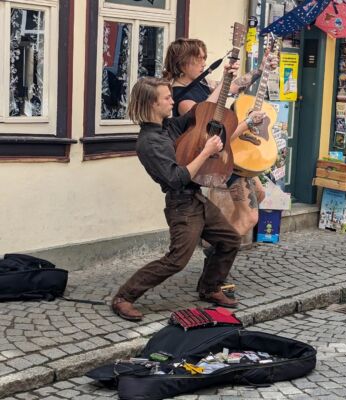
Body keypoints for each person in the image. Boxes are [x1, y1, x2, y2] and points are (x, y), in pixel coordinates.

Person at [111, 76, 241, 321]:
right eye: (167, 97)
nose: (173, 101)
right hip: (181, 205)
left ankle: (210, 287)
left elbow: (200, 111)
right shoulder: (149, 143)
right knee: (177, 260)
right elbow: (177, 178)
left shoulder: (168, 126)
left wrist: (226, 80)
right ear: (153, 103)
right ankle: (124, 297)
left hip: (196, 199)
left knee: (230, 240)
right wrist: (206, 152)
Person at [163, 38, 271, 239]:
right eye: (199, 58)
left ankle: (223, 238)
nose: (204, 62)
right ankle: (222, 250)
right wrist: (248, 123)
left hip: (230, 152)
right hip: (218, 158)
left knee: (260, 194)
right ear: (183, 63)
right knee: (250, 217)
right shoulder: (183, 99)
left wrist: (260, 69)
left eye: (205, 57)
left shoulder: (200, 82)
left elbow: (232, 87)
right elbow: (218, 137)